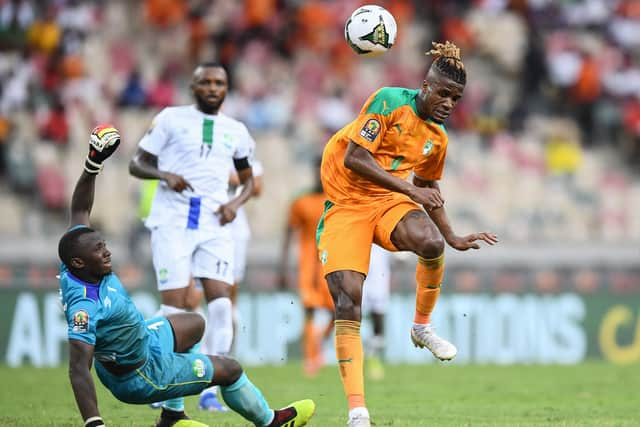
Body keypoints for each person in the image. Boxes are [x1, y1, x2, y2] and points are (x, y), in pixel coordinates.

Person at [60, 125, 315, 427]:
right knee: (230, 369)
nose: (107, 252)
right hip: (140, 373)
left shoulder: (75, 261)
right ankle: (272, 422)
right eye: (99, 250)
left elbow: (79, 210)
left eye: (104, 245)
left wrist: (93, 164)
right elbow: (78, 368)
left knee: (194, 323)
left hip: (144, 339)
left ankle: (172, 415)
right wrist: (94, 423)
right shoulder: (84, 307)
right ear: (79, 262)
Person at [316, 41, 499, 427]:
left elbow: (428, 188)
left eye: (457, 98)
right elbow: (355, 157)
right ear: (425, 87)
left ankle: (421, 327)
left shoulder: (438, 139)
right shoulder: (387, 100)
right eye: (444, 94)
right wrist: (410, 190)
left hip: (385, 200)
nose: (450, 103)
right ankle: (358, 412)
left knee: (429, 242)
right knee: (349, 301)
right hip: (346, 203)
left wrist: (451, 236)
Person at [129, 62, 255, 412]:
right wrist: (164, 175)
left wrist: (235, 203)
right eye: (206, 82)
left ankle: (209, 390)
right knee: (175, 307)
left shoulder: (236, 130)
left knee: (221, 304)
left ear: (227, 89)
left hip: (215, 223)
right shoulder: (170, 118)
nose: (213, 88)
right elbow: (136, 163)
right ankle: (163, 386)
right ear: (193, 86)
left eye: (219, 83)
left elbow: (248, 180)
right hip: (172, 221)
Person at [278, 160, 334, 377]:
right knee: (309, 310)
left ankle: (319, 339)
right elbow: (288, 233)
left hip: (332, 260)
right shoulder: (301, 201)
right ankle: (312, 359)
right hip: (309, 264)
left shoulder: (338, 199)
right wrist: (282, 269)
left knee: (337, 310)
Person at [361, 244, 391, 381]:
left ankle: (374, 358)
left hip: (379, 267)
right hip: (355, 259)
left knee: (378, 314)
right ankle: (351, 361)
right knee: (351, 314)